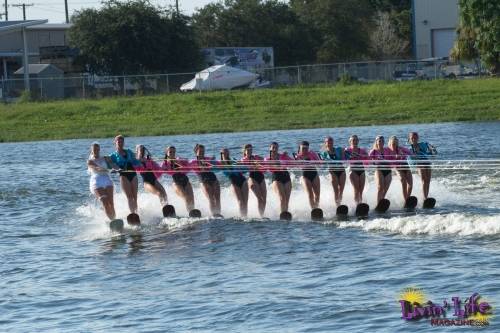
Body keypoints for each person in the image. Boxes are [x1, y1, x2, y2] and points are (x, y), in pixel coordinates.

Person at [109, 135, 140, 214]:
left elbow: (135, 161)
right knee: (129, 197)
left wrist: (141, 160)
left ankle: (136, 213)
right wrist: (115, 169)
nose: (120, 143)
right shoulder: (112, 156)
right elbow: (110, 165)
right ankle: (132, 213)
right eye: (118, 142)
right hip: (123, 176)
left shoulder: (129, 151)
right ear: (115, 143)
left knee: (135, 196)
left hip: (133, 174)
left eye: (122, 141)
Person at [87, 142, 116, 220]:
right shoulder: (90, 161)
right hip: (96, 181)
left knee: (111, 202)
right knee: (105, 202)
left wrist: (117, 169)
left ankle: (114, 219)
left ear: (99, 149)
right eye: (94, 149)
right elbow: (96, 168)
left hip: (107, 179)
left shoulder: (106, 158)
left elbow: (114, 165)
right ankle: (111, 220)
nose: (96, 150)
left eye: (97, 149)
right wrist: (108, 170)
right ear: (91, 151)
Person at [161, 146, 195, 212]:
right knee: (186, 197)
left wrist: (184, 162)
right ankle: (189, 212)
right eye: (170, 152)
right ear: (166, 153)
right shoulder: (164, 163)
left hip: (186, 180)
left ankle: (192, 212)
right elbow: (159, 170)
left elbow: (189, 164)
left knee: (191, 199)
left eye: (174, 152)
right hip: (176, 183)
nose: (172, 153)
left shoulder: (179, 159)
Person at [191, 144, 221, 216]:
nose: (202, 153)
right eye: (200, 151)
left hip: (212, 177)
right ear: (196, 152)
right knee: (211, 198)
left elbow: (218, 164)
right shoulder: (193, 162)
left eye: (203, 151)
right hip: (203, 179)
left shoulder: (208, 159)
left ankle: (219, 214)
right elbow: (190, 168)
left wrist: (214, 161)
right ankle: (214, 214)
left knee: (217, 198)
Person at [264, 142, 293, 214]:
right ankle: (282, 213)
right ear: (270, 148)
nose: (274, 149)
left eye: (276, 148)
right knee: (282, 198)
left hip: (286, 176)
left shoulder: (283, 156)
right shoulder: (267, 159)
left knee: (287, 199)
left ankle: (285, 213)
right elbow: (268, 168)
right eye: (273, 147)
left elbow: (292, 162)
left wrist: (287, 156)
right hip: (276, 177)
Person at [220, 148, 249, 217]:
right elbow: (227, 172)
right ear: (221, 154)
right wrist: (225, 160)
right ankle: (243, 217)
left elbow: (244, 170)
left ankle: (246, 216)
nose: (226, 154)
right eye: (224, 153)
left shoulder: (233, 160)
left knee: (245, 201)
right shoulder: (221, 163)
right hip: (234, 182)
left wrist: (240, 164)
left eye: (227, 152)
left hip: (243, 180)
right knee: (240, 202)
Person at [408, 132, 436, 199]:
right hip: (418, 164)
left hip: (426, 162)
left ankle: (426, 196)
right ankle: (424, 198)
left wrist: (432, 150)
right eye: (412, 138)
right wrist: (416, 153)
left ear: (418, 138)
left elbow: (430, 154)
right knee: (424, 180)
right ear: (409, 139)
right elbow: (412, 158)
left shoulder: (423, 144)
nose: (414, 139)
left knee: (428, 181)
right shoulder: (409, 148)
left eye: (415, 137)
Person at [319, 136, 346, 206]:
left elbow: (345, 157)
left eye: (331, 141)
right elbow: (323, 164)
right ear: (325, 143)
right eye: (328, 142)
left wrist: (344, 151)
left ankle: (340, 203)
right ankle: (337, 205)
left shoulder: (338, 149)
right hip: (332, 171)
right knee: (336, 190)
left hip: (341, 170)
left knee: (341, 190)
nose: (330, 143)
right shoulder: (324, 153)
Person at [241, 144, 267, 216]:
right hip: (252, 177)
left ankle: (262, 215)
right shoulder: (243, 159)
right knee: (259, 198)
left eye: (251, 150)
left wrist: (261, 161)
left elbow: (265, 160)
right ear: (245, 151)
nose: (250, 151)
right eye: (248, 150)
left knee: (264, 199)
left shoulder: (256, 156)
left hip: (261, 176)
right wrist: (253, 163)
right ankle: (260, 215)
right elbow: (244, 167)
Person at [294, 141, 321, 209]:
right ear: (300, 148)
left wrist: (314, 158)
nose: (305, 150)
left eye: (306, 148)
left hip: (314, 173)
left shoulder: (312, 153)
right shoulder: (297, 156)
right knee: (310, 194)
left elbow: (319, 163)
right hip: (305, 175)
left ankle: (316, 208)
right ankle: (313, 209)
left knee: (317, 194)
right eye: (303, 148)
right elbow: (295, 165)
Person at [387, 136, 413, 201]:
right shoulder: (388, 151)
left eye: (396, 143)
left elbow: (410, 153)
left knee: (410, 185)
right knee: (403, 182)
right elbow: (388, 161)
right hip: (398, 167)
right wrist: (395, 158)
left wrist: (403, 154)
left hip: (406, 166)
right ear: (390, 143)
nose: (394, 145)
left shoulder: (401, 148)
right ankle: (405, 199)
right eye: (393, 143)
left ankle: (407, 198)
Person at [344, 135, 368, 204]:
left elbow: (367, 160)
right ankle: (357, 204)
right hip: (353, 169)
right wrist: (350, 156)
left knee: (361, 191)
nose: (355, 142)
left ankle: (361, 204)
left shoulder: (362, 150)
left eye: (356, 140)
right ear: (350, 142)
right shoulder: (347, 150)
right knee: (356, 190)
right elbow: (345, 159)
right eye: (353, 140)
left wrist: (365, 156)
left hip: (361, 169)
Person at [369, 135, 392, 204]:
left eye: (382, 141)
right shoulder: (373, 151)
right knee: (380, 187)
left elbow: (392, 158)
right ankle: (378, 202)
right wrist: (374, 161)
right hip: (379, 169)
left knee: (386, 188)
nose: (381, 142)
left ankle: (382, 201)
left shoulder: (387, 150)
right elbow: (369, 161)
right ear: (376, 142)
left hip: (388, 169)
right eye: (379, 141)